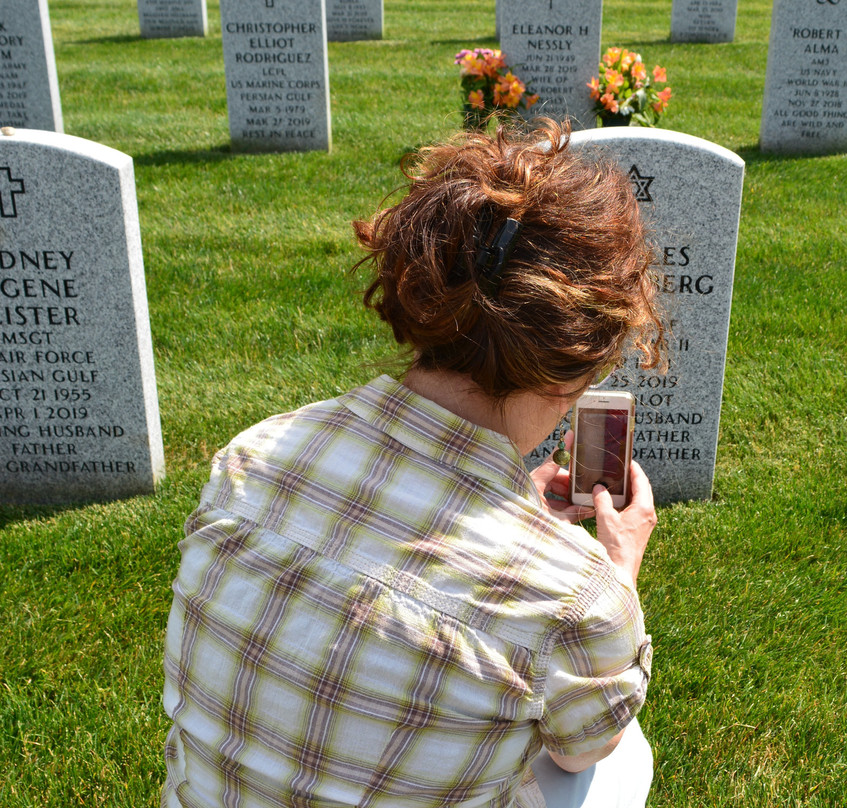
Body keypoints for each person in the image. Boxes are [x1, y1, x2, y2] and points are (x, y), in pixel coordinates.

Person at [161, 118, 665, 808]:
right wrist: (617, 574)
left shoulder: (251, 457)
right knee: (618, 762)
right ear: (573, 366)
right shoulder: (574, 597)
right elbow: (587, 743)